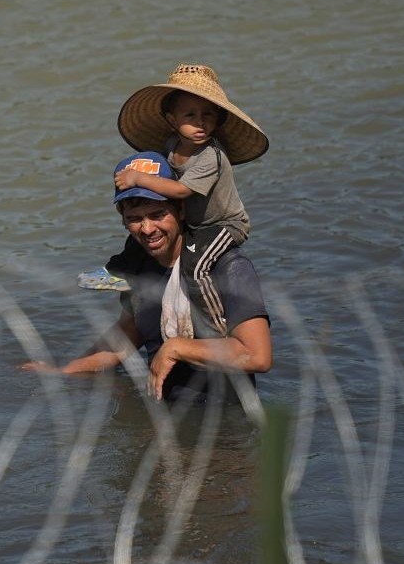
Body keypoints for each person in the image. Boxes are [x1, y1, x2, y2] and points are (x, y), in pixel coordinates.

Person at [23, 151, 271, 405]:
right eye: (135, 219)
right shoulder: (139, 269)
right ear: (123, 220)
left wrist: (176, 348)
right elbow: (125, 338)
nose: (147, 229)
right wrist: (63, 372)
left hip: (221, 422)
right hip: (162, 415)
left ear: (181, 210)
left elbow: (257, 356)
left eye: (157, 214)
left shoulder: (227, 266)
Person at [111, 63, 269, 338]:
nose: (201, 122)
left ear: (218, 119)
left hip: (223, 225)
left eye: (208, 115)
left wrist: (139, 179)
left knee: (196, 266)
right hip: (197, 223)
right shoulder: (173, 147)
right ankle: (115, 271)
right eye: (190, 115)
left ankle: (213, 324)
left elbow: (182, 191)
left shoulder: (211, 156)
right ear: (172, 121)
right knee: (134, 244)